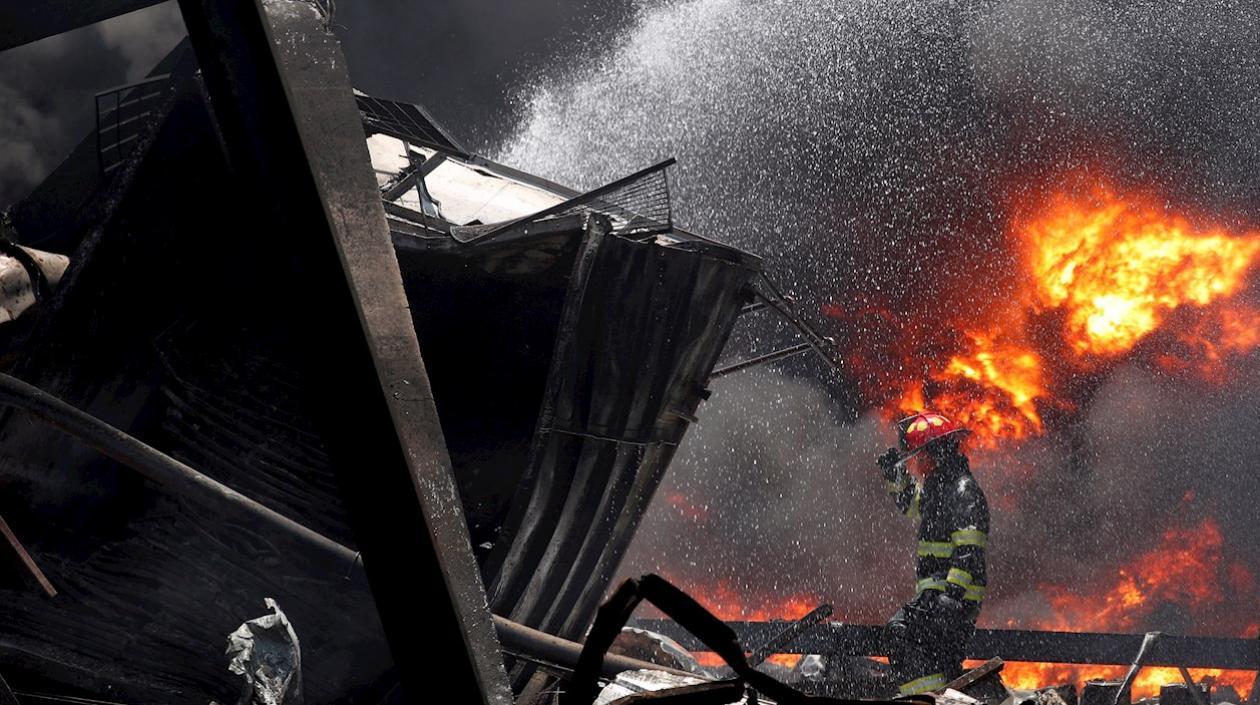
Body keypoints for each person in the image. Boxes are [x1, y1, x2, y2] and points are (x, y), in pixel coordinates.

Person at [876, 411, 990, 697]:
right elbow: (912, 507)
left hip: (952, 599)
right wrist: (896, 475)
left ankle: (927, 699)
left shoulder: (963, 491)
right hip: (938, 596)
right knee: (939, 663)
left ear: (935, 454)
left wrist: (952, 595)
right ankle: (940, 697)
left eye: (920, 457)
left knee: (898, 632)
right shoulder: (939, 487)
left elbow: (970, 549)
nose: (917, 464)